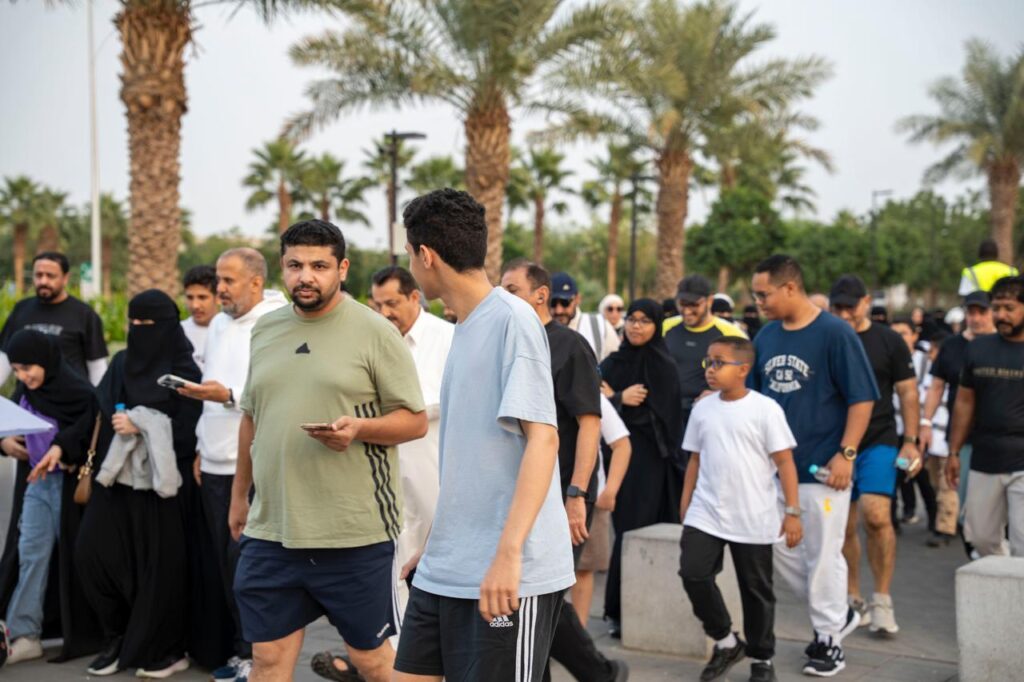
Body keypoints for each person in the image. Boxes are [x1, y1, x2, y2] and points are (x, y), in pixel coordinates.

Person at [227, 220, 426, 682]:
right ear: (282, 267)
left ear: (342, 268)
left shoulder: (375, 331)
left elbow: (414, 421)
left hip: (353, 534)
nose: (305, 276)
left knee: (372, 662)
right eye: (295, 265)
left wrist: (358, 429)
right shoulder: (265, 330)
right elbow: (252, 417)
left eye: (319, 266)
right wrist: (239, 496)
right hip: (273, 531)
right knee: (267, 660)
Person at [393, 190, 574, 682]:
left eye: (408, 254)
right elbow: (471, 458)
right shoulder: (465, 327)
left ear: (426, 255)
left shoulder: (512, 320)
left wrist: (508, 555)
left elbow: (544, 440)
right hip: (445, 567)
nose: (410, 264)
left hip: (507, 574)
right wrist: (437, 541)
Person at [749, 255, 878, 677]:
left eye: (764, 294)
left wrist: (847, 454)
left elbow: (862, 398)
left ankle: (827, 640)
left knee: (823, 555)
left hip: (824, 467)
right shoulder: (766, 336)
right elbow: (755, 398)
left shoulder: (835, 333)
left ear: (790, 287)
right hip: (774, 470)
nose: (758, 302)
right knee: (773, 545)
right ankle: (839, 614)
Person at [500, 259, 628, 682]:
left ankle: (599, 672)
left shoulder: (569, 346)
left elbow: (590, 424)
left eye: (512, 290)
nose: (504, 298)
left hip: (561, 495)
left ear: (541, 295)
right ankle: (599, 673)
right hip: (516, 492)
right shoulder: (507, 343)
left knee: (542, 596)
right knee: (530, 598)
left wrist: (577, 495)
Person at [75, 289, 203, 678]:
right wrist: (62, 446)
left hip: (162, 490)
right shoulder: (121, 363)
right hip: (115, 483)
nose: (137, 329)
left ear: (166, 326)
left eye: (147, 323)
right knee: (93, 555)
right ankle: (117, 636)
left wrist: (143, 423)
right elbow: (97, 412)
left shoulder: (184, 372)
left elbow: (190, 431)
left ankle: (164, 650)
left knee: (158, 571)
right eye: (133, 322)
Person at [175, 248, 287, 681]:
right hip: (213, 464)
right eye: (218, 279)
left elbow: (272, 395)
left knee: (250, 571)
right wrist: (201, 448)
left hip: (253, 468)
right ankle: (241, 653)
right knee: (225, 569)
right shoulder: (220, 323)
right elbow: (213, 392)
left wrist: (228, 395)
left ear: (256, 282)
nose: (219, 288)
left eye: (228, 281)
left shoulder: (276, 321)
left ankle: (257, 659)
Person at [679, 336, 802, 682]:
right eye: (708, 361)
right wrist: (686, 501)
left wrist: (793, 512)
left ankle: (762, 659)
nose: (710, 369)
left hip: (754, 515)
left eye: (719, 362)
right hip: (706, 511)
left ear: (743, 369)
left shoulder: (765, 409)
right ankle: (726, 640)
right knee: (693, 573)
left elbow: (785, 462)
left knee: (756, 591)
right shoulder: (703, 409)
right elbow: (695, 459)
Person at [0, 331, 102, 666]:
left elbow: (89, 428)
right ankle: (25, 634)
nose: (22, 376)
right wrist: (5, 443)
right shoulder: (27, 390)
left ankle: (98, 630)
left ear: (45, 360)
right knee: (30, 555)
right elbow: (10, 421)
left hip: (69, 486)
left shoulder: (79, 392)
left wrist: (62, 448)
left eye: (28, 367)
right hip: (37, 484)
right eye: (16, 369)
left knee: (78, 560)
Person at [829, 275, 920, 636]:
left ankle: (881, 598)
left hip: (879, 439)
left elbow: (908, 392)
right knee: (843, 525)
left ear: (866, 303)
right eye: (837, 306)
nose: (844, 313)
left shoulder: (889, 340)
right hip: (835, 444)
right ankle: (853, 596)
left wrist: (911, 441)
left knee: (877, 515)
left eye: (850, 306)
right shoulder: (826, 337)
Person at [599, 299, 684, 640]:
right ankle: (619, 610)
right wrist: (619, 399)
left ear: (657, 325)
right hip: (619, 460)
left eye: (645, 320)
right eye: (632, 319)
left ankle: (652, 608)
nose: (636, 326)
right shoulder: (613, 362)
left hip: (653, 463)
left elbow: (665, 418)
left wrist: (618, 401)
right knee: (625, 531)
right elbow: (593, 398)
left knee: (645, 529)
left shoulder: (664, 365)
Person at [947, 276, 1024, 557]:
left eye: (1009, 308)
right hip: (985, 456)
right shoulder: (978, 349)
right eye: (997, 308)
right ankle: (1003, 577)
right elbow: (964, 402)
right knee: (979, 537)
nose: (1001, 315)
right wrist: (954, 452)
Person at [920, 291, 997, 549]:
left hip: (1000, 438)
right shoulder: (952, 346)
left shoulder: (1006, 344)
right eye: (970, 312)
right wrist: (925, 423)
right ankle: (973, 550)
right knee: (964, 506)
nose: (976, 318)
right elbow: (936, 386)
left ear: (992, 312)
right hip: (961, 438)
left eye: (981, 312)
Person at [664, 275, 747, 456]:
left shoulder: (731, 334)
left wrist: (718, 393)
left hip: (711, 420)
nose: (687, 310)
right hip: (668, 420)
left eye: (693, 304)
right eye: (682, 304)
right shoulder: (666, 327)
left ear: (709, 301)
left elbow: (746, 378)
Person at [0, 252, 108, 385]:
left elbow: (96, 365)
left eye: (50, 276)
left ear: (65, 278)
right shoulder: (21, 309)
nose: (43, 281)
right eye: (38, 275)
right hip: (27, 396)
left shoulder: (85, 314)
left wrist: (99, 396)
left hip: (71, 395)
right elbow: (4, 356)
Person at [572, 395, 631, 625]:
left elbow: (622, 444)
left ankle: (579, 634)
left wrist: (610, 491)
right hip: (545, 497)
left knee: (584, 569)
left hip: (590, 499)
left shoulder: (593, 397)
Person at [889, 317, 937, 535]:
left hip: (918, 431)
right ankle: (892, 521)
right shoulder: (886, 358)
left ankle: (935, 520)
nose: (899, 338)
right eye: (894, 334)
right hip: (894, 430)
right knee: (895, 474)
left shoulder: (926, 361)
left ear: (915, 335)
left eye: (904, 333)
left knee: (922, 476)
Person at [550, 272, 621, 361]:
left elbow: (618, 362)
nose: (558, 310)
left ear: (577, 299)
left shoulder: (598, 325)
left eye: (565, 302)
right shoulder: (541, 331)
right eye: (553, 303)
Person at [181, 264, 219, 370]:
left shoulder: (232, 330)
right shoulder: (178, 332)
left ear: (218, 298)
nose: (195, 305)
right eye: (190, 297)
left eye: (202, 297)